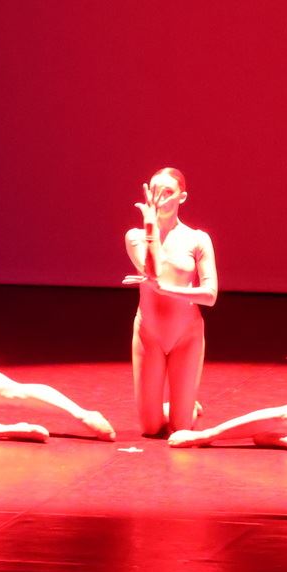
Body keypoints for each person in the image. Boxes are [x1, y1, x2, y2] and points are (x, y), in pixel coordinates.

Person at [125, 166, 218, 437]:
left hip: (186, 335)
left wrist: (167, 290)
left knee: (180, 429)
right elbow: (153, 271)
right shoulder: (135, 236)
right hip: (149, 334)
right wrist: (150, 226)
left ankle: (187, 408)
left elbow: (210, 295)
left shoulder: (198, 239)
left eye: (168, 192)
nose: (160, 198)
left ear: (182, 197)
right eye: (155, 191)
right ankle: (177, 406)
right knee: (150, 428)